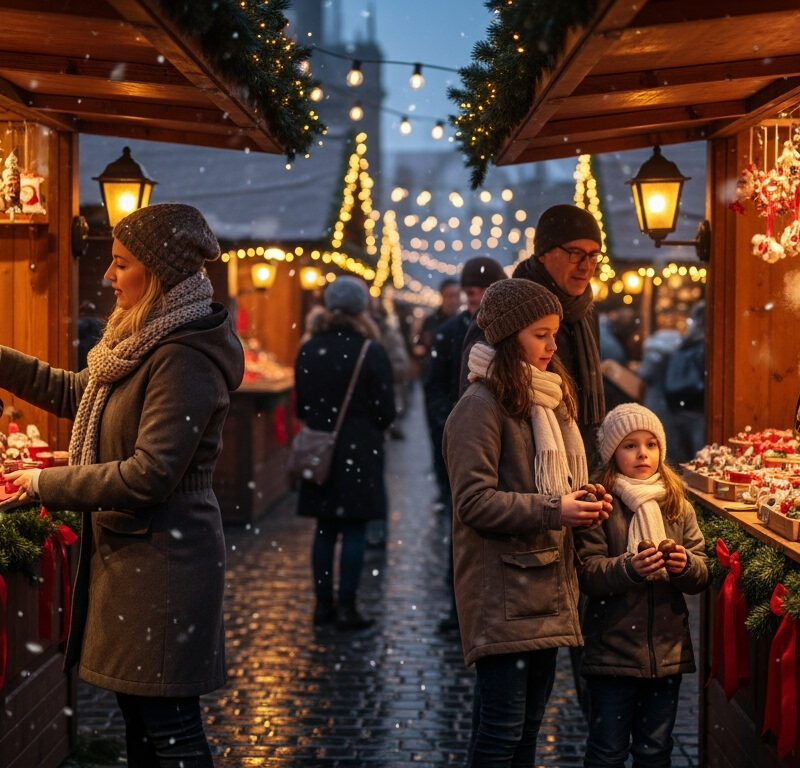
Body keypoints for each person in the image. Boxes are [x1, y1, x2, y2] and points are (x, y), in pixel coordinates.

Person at [2, 202, 245, 766]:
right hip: (140, 560)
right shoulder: (141, 340)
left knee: (171, 729)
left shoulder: (182, 355)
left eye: (121, 263)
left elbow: (150, 473)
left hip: (165, 566)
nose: (108, 276)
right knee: (143, 724)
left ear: (157, 273)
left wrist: (44, 482)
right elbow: (72, 393)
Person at [443, 278, 611, 766]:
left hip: (544, 588)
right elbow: (473, 502)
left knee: (527, 729)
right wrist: (555, 509)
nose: (553, 345)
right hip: (503, 593)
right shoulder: (478, 408)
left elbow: (548, 486)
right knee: (501, 732)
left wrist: (577, 498)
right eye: (541, 334)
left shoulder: (547, 399)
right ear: (510, 335)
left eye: (555, 333)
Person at [574, 403, 710, 768]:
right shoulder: (600, 501)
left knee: (655, 751)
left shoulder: (675, 501)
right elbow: (588, 572)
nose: (642, 453)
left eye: (650, 444)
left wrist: (685, 566)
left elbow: (701, 568)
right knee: (607, 750)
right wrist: (629, 568)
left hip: (666, 654)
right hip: (611, 653)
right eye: (630, 445)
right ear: (612, 453)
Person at [460, 204, 606, 471]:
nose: (586, 266)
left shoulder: (585, 312)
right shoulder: (507, 306)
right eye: (575, 253)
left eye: (594, 255)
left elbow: (585, 397)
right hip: (524, 470)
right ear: (543, 254)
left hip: (580, 464)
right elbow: (474, 393)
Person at [294, 276, 396, 630]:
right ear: (362, 309)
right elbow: (387, 411)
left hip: (322, 448)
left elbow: (301, 408)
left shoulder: (309, 347)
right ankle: (348, 607)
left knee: (325, 530)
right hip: (360, 450)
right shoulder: (371, 351)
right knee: (354, 530)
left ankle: (322, 606)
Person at [424, 255, 506, 631]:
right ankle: (460, 607)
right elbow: (435, 389)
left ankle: (494, 605)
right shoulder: (450, 331)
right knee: (462, 526)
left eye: (480, 292)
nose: (473, 300)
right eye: (469, 293)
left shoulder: (511, 331)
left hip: (503, 448)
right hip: (459, 448)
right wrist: (451, 427)